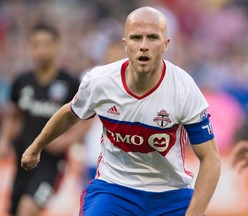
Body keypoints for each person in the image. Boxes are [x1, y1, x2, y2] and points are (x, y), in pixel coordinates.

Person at [21, 7, 221, 216]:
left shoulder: (184, 89)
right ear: (125, 44)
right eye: (136, 38)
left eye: (152, 38)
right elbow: (70, 113)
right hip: (115, 189)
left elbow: (211, 158)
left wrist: (195, 213)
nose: (143, 46)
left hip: (171, 193)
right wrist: (36, 147)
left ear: (165, 44)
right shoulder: (100, 81)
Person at [0, 23, 86, 216]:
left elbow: (86, 119)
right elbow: (14, 115)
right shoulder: (22, 81)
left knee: (27, 209)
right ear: (30, 47)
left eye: (47, 44)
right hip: (22, 159)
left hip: (51, 163)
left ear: (57, 46)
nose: (42, 50)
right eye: (37, 44)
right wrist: (5, 140)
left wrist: (68, 140)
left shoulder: (70, 83)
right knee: (15, 211)